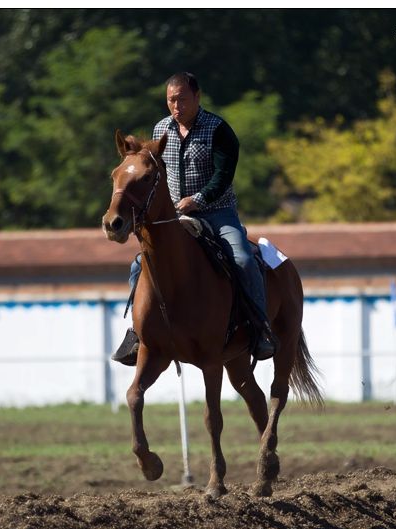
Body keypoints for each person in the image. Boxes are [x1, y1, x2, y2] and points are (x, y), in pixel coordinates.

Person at [111, 72, 276, 366]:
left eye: (182, 99)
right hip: (174, 216)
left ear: (197, 98)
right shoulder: (161, 129)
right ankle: (137, 334)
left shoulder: (219, 130)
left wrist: (197, 200)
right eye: (171, 100)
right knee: (139, 264)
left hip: (218, 212)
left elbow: (223, 176)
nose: (176, 106)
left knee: (241, 258)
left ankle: (260, 328)